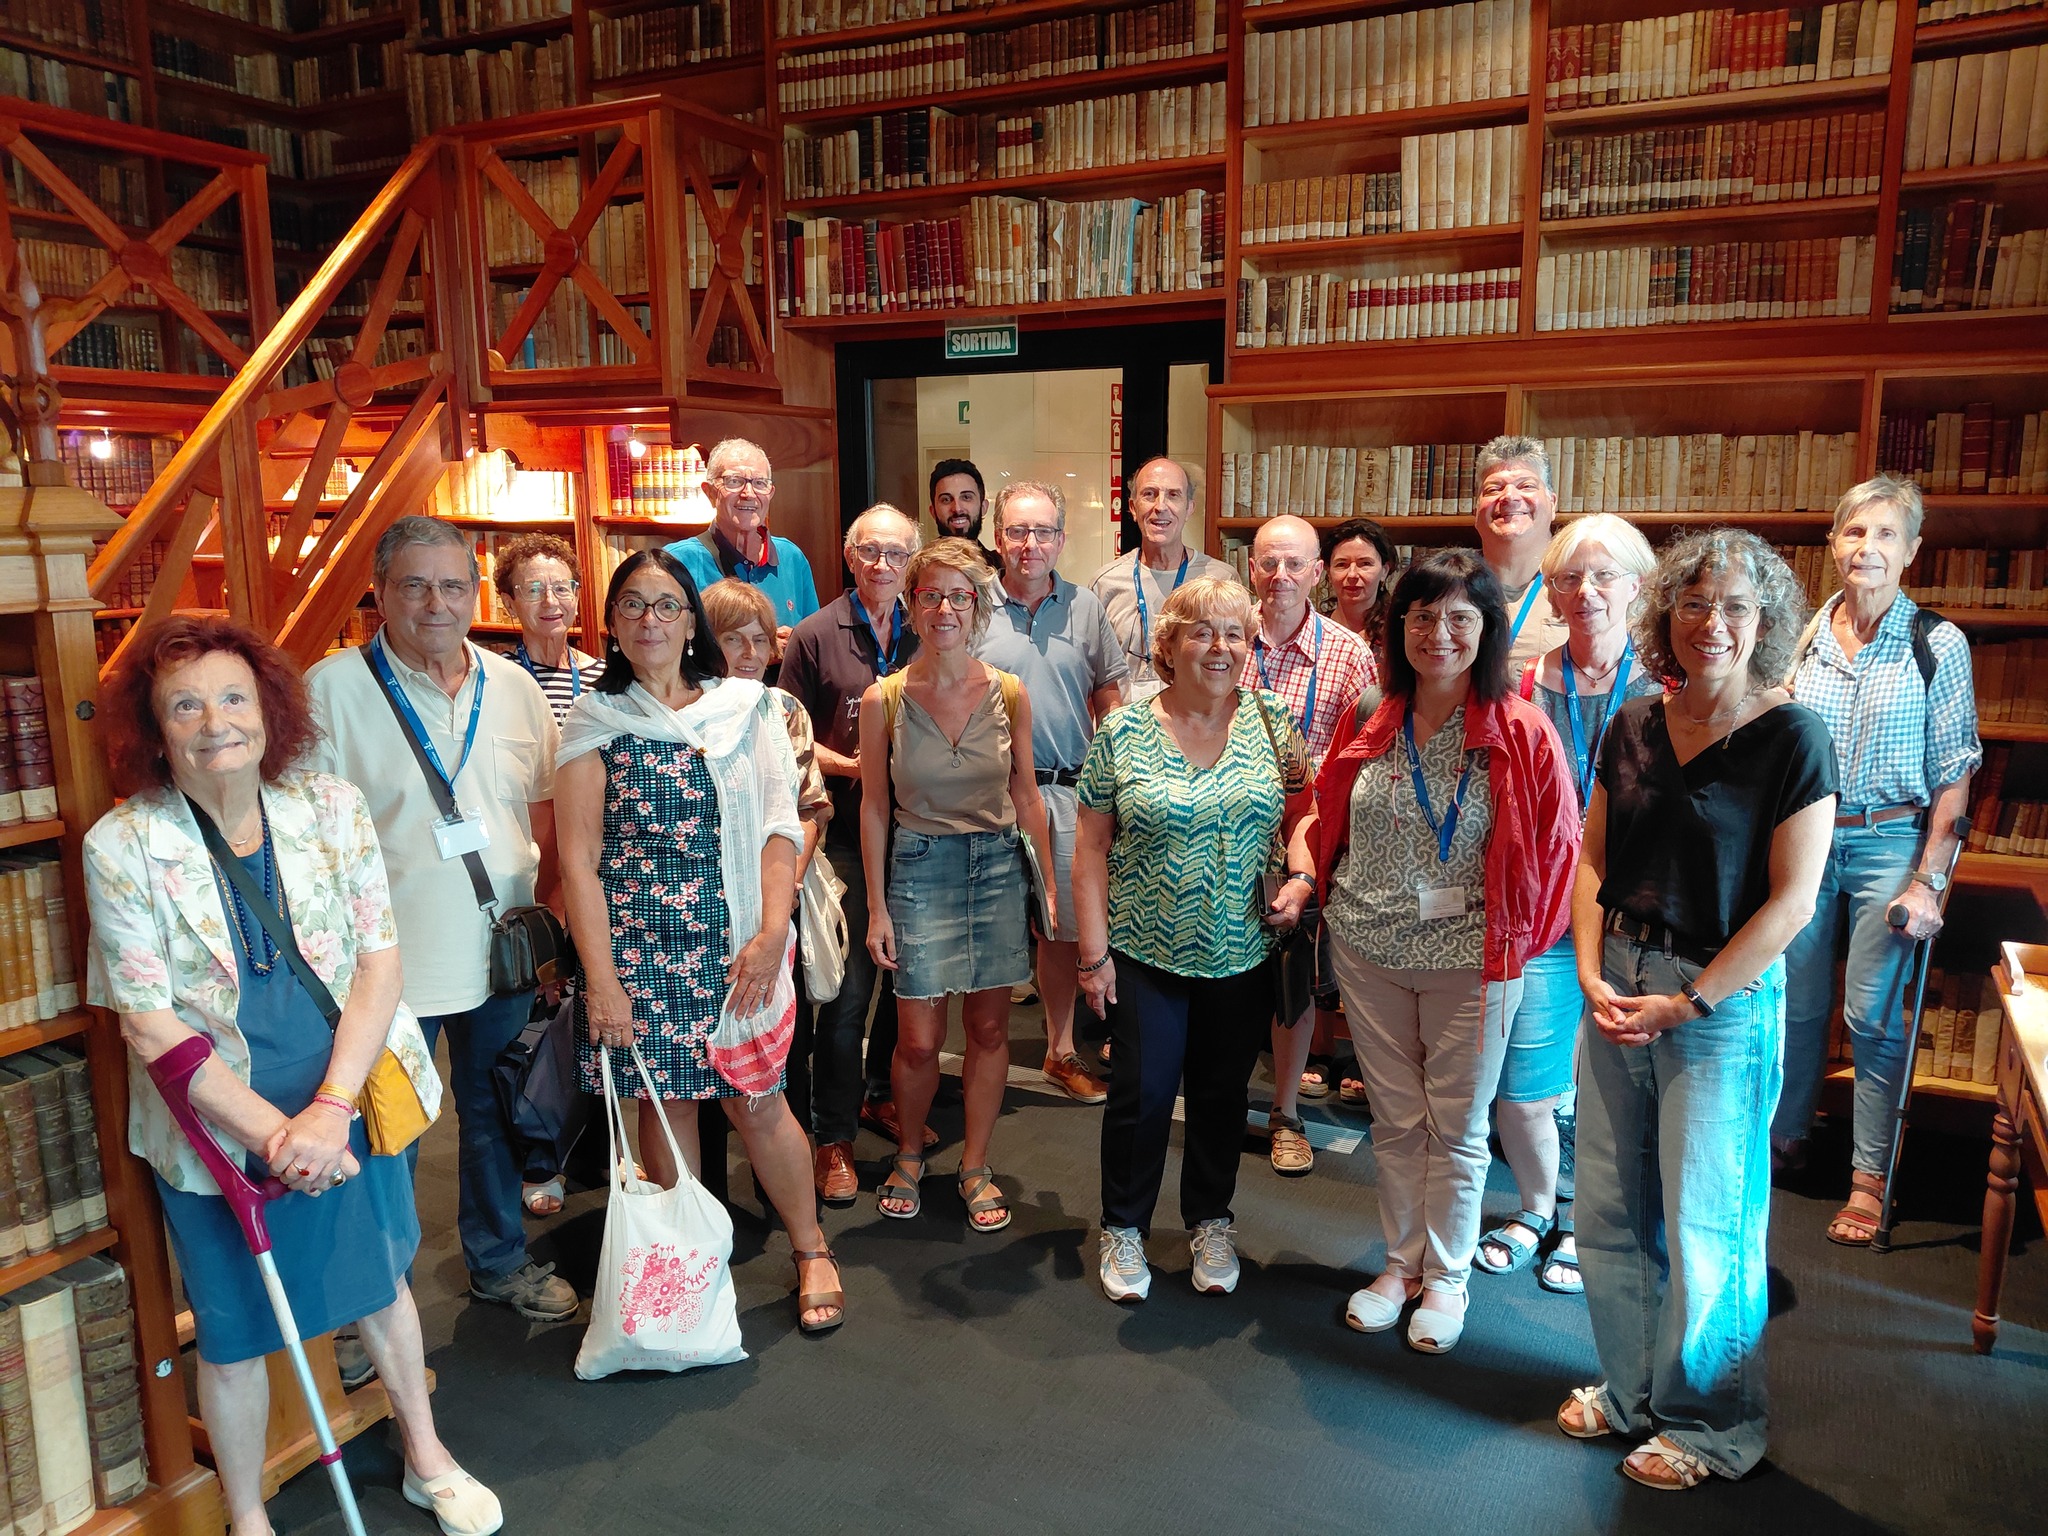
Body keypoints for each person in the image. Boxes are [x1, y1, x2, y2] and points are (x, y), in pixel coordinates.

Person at [84, 616, 501, 1536]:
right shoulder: (124, 845)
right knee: (232, 1331)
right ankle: (247, 1516)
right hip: (214, 1124)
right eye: (185, 707)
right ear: (154, 729)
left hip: (341, 1094)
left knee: (381, 1283)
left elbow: (379, 962)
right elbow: (149, 1022)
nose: (215, 723)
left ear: (268, 709)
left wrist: (328, 1112)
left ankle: (426, 1455)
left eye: (233, 698)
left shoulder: (330, 807)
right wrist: (278, 1138)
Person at [1561, 529, 1835, 1489]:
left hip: (1716, 1005)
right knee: (1608, 1205)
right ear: (1665, 613)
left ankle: (1712, 1424)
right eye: (1693, 603)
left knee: (1706, 1221)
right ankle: (1633, 1391)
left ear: (1765, 622)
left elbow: (1793, 904)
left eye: (1734, 607)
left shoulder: (1795, 736)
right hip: (1617, 982)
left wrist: (1687, 1001)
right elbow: (1592, 860)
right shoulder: (1634, 721)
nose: (1711, 623)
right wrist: (1589, 970)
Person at [1286, 548, 1579, 1355]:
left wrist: (1517, 947)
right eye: (1421, 616)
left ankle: (1447, 1277)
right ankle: (1399, 1264)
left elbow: (1558, 850)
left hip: (1472, 963)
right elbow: (1326, 810)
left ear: (1486, 629)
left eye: (1458, 617)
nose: (1438, 634)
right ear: (1398, 626)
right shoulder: (1370, 713)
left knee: (1456, 1127)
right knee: (1396, 1120)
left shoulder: (1520, 728)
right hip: (1369, 949)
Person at [555, 550, 845, 1334]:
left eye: (665, 605)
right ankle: (686, 1268)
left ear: (691, 623)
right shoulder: (595, 721)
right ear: (611, 624)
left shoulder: (745, 708)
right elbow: (579, 864)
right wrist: (602, 983)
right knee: (668, 1101)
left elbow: (780, 830)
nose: (649, 619)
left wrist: (772, 933)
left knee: (758, 1103)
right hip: (638, 952)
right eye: (632, 605)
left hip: (737, 943)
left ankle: (812, 1249)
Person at [306, 517, 575, 1323]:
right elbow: (308, 839)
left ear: (476, 593)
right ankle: (372, 1300)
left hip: (500, 955)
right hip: (386, 969)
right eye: (415, 586)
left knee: (496, 1116)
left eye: (453, 586)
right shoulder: (331, 691)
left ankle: (499, 1260)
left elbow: (545, 814)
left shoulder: (515, 688)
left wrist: (549, 926)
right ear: (380, 592)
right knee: (389, 1136)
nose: (436, 604)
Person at [1075, 578, 1313, 1301]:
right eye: (1202, 632)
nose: (1220, 647)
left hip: (1242, 950)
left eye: (1235, 633)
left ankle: (1211, 1219)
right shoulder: (1122, 732)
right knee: (1142, 1096)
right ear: (1169, 644)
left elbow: (1304, 813)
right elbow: (1090, 850)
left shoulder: (1272, 720)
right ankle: (1124, 1227)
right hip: (1143, 950)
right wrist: (1093, 956)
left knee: (1221, 1096)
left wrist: (1301, 875)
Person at [1772, 476, 1980, 1242]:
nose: (1869, 548)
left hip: (1891, 841)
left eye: (1886, 534)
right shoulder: (1803, 637)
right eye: (1855, 532)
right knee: (1794, 1001)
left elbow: (1954, 773)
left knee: (1871, 1012)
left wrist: (1930, 883)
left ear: (1912, 550)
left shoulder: (1937, 643)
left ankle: (1869, 1175)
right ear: (1834, 545)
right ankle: (1787, 1137)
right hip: (1806, 835)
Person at [1475, 514, 1660, 1296]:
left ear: (1637, 586)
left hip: (1635, 916)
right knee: (1524, 1084)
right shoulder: (1522, 684)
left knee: (1613, 1088)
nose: (1586, 592)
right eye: (1569, 578)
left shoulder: (1667, 687)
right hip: (1546, 915)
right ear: (1550, 591)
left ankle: (1589, 1223)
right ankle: (1534, 1208)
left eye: (1604, 575)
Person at [861, 538, 1057, 1232]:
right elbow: (874, 805)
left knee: (990, 1027)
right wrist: (877, 907)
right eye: (930, 595)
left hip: (997, 864)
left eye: (959, 596)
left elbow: (1027, 794)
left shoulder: (1009, 692)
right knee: (918, 1038)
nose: (944, 609)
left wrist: (1047, 887)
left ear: (977, 607)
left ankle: (975, 1164)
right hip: (918, 866)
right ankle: (910, 1153)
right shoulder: (883, 698)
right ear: (912, 606)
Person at [778, 503, 924, 1204]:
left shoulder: (929, 626)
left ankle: (881, 1096)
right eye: (870, 551)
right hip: (841, 829)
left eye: (897, 553)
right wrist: (859, 765)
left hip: (918, 829)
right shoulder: (813, 634)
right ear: (848, 556)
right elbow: (789, 730)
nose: (883, 564)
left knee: (910, 980)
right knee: (845, 989)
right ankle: (831, 1136)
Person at [975, 481, 1129, 1105]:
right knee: (989, 926)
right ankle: (980, 1049)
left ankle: (1060, 1050)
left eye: (1042, 532)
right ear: (998, 538)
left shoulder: (1085, 607)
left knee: (1061, 927)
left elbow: (1109, 687)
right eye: (1017, 531)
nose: (1030, 544)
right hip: (989, 797)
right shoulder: (972, 602)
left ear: (1061, 539)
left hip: (1066, 790)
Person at [1243, 515, 1372, 1178]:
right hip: (1226, 833)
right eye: (1269, 563)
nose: (1281, 576)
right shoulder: (1225, 636)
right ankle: (1222, 1101)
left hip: (1307, 838)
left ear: (1318, 573)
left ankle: (1286, 1113)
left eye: (1295, 564)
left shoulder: (1348, 656)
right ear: (1251, 569)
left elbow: (1365, 757)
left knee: (1292, 983)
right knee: (1227, 982)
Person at [699, 578, 836, 1195]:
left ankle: (780, 1188)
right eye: (733, 639)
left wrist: (785, 890)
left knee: (783, 1051)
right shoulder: (683, 711)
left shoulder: (784, 710)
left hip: (776, 905)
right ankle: (705, 1201)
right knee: (698, 1059)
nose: (750, 653)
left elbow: (809, 810)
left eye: (760, 639)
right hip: (700, 910)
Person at [1089, 456, 1240, 701]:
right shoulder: (1105, 583)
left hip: (1199, 721)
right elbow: (1093, 674)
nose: (1160, 506)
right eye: (1149, 494)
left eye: (1173, 495)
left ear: (1189, 508)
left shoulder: (1221, 579)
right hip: (1127, 721)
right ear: (1132, 507)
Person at [664, 437, 818, 643]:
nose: (748, 493)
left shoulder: (792, 557)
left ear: (770, 494)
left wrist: (798, 644)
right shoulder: (676, 562)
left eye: (760, 483)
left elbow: (816, 644)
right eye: (734, 481)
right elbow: (663, 644)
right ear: (709, 492)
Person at [1472, 435, 1570, 676]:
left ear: (1553, 503)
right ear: (1476, 509)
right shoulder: (1453, 588)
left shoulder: (1580, 588)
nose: (1509, 497)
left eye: (1526, 486)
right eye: (1494, 489)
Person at [494, 532, 602, 724]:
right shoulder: (495, 676)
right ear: (509, 604)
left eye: (561, 589)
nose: (550, 602)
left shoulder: (604, 677)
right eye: (534, 590)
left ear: (576, 598)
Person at [1321, 515, 1398, 666]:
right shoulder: (1313, 631)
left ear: (1384, 571)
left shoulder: (1397, 633)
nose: (1352, 575)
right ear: (1328, 572)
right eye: (1341, 564)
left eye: (1365, 564)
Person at [929, 456, 997, 573]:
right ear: (933, 511)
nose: (957, 509)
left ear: (983, 507)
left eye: (966, 497)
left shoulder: (1002, 570)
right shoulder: (920, 571)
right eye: (946, 500)